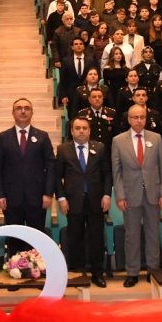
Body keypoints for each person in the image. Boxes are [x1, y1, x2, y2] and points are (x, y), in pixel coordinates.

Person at [111, 104, 162, 288]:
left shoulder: (157, 138)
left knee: (153, 233)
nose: (139, 120)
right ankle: (132, 272)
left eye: (142, 117)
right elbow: (117, 172)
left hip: (153, 194)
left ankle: (153, 270)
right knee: (132, 235)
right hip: (130, 195)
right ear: (128, 119)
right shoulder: (118, 141)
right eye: (135, 117)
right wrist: (120, 196)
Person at [54, 116, 111, 288]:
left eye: (84, 128)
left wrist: (107, 195)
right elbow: (57, 177)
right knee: (75, 238)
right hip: (73, 202)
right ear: (71, 131)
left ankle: (97, 273)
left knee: (96, 238)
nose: (81, 131)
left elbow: (107, 174)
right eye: (77, 128)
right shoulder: (63, 149)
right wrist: (62, 198)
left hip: (96, 201)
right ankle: (78, 273)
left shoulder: (100, 148)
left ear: (89, 130)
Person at [0, 99, 55, 252]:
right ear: (13, 113)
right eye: (19, 108)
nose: (23, 111)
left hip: (37, 197)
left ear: (32, 112)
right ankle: (14, 270)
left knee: (36, 236)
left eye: (27, 108)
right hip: (11, 198)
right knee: (14, 237)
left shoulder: (42, 136)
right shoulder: (3, 137)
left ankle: (36, 269)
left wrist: (48, 193)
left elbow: (51, 167)